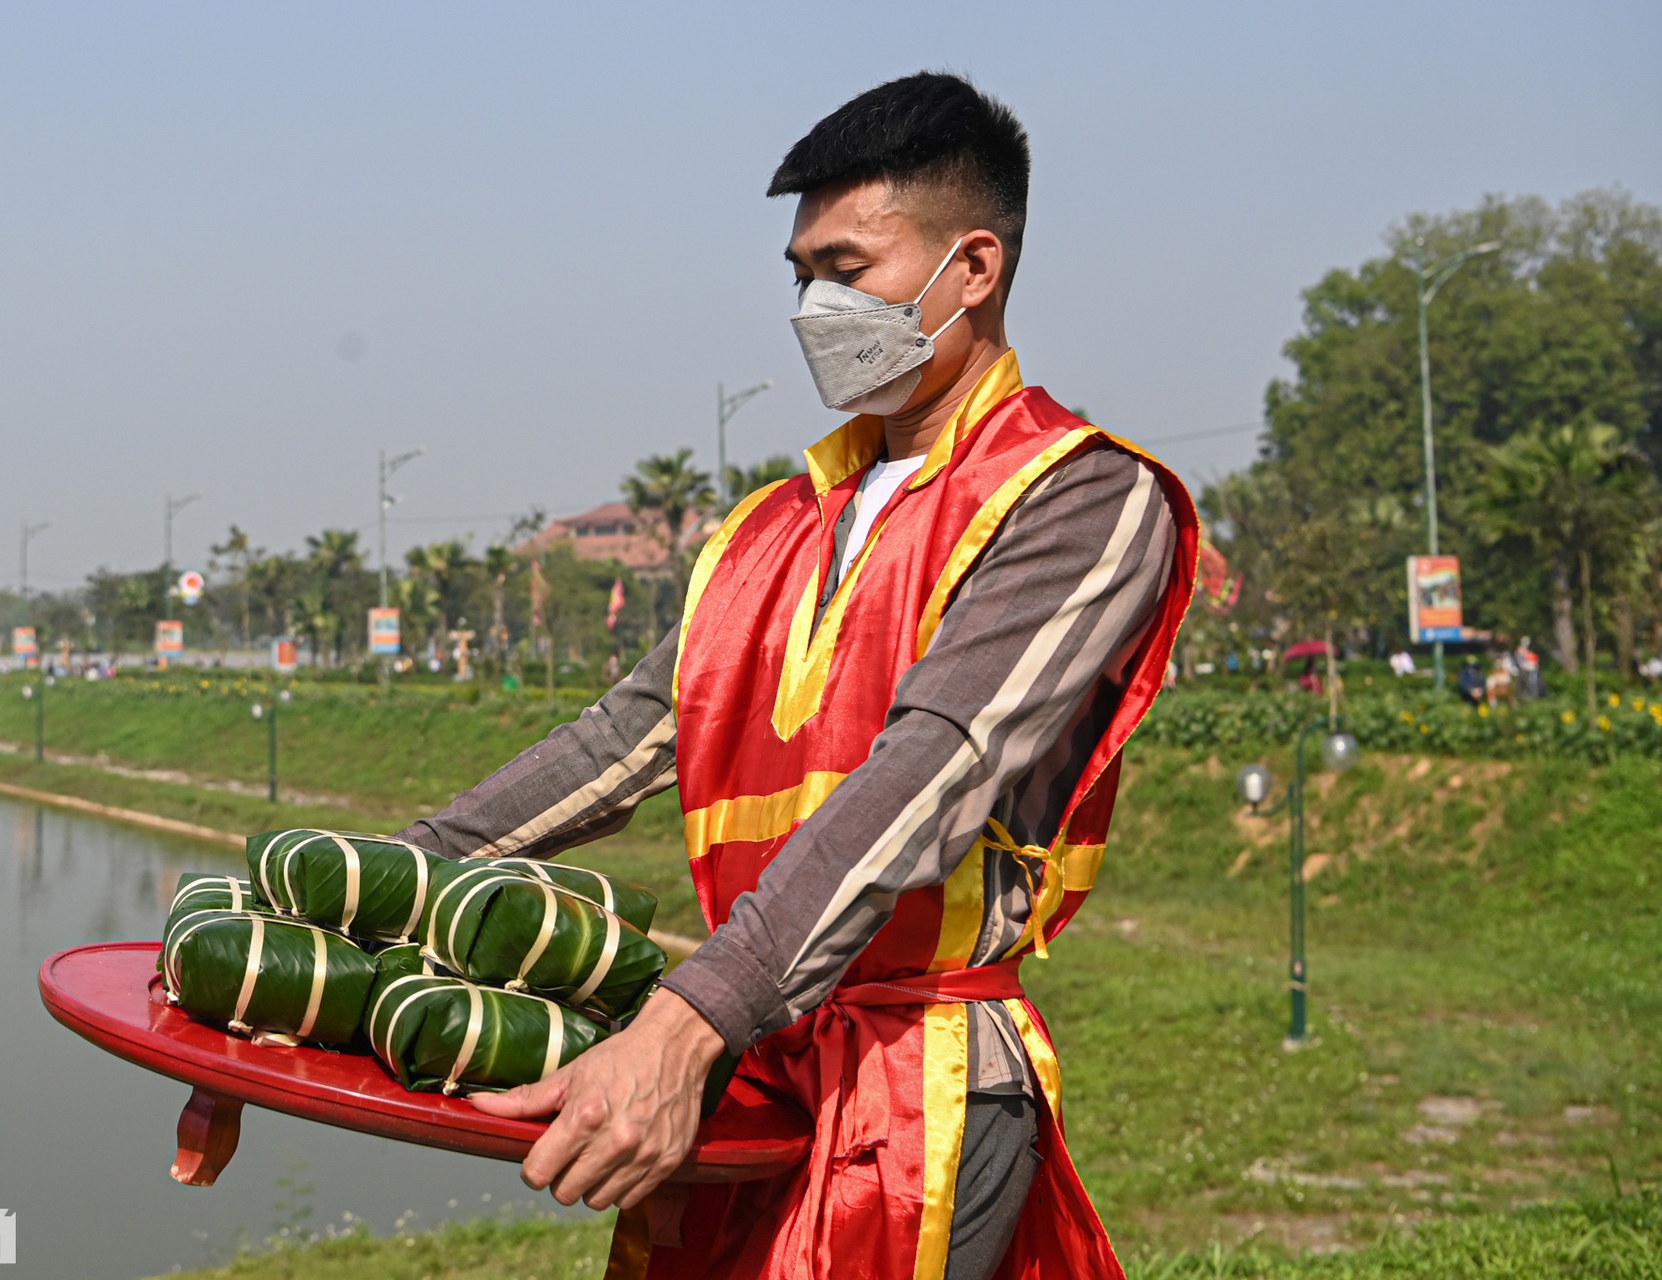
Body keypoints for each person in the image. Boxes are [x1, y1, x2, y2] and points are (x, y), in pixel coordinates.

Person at [397, 73, 1196, 1280]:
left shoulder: (1078, 495)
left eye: (847, 266)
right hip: (743, 1054)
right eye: (799, 274)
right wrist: (371, 888)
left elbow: (930, 775)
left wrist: (683, 1021)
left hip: (907, 1084)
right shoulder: (767, 526)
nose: (816, 306)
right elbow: (611, 746)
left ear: (972, 267)